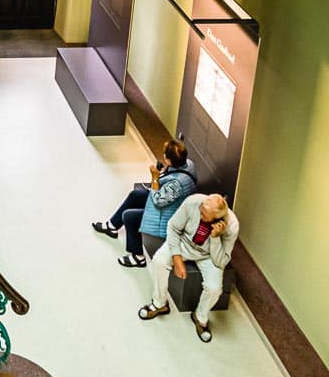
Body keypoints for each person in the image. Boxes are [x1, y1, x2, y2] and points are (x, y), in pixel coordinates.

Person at [138, 193, 239, 343]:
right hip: (184, 242)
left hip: (209, 255)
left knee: (214, 288)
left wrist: (215, 237)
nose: (199, 212)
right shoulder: (194, 202)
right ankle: (159, 303)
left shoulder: (232, 227)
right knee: (159, 261)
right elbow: (173, 227)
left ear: (217, 220)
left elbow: (221, 261)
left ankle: (200, 317)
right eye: (201, 208)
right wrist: (177, 258)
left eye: (204, 214)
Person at [93, 139, 197, 267]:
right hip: (171, 201)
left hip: (169, 215)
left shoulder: (176, 184)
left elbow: (158, 201)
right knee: (135, 195)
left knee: (129, 217)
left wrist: (154, 177)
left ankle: (138, 258)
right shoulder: (189, 164)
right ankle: (112, 226)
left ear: (169, 160)